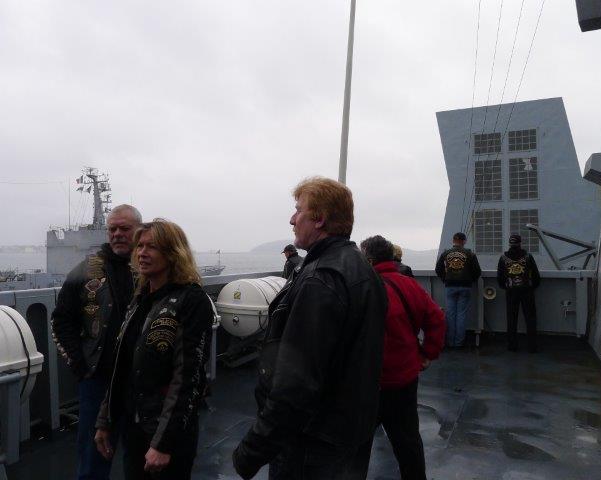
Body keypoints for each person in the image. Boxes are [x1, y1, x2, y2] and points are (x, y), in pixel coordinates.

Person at [232, 177, 387, 480]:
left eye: (298, 210)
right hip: (350, 429)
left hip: (313, 442)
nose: (292, 219)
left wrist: (252, 450)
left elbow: (297, 382)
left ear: (319, 219)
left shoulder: (320, 278)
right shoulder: (363, 269)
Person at [94, 219, 214, 480]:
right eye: (140, 246)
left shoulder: (192, 301)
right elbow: (122, 367)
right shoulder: (140, 300)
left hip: (165, 430)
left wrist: (164, 443)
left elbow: (188, 377)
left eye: (152, 247)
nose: (142, 253)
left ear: (173, 253)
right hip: (134, 425)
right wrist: (105, 420)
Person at [52, 204, 141, 480]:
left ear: (139, 230)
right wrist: (80, 366)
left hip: (142, 380)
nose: (117, 234)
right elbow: (61, 320)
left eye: (124, 228)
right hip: (98, 379)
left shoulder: (150, 268)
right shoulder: (86, 270)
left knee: (141, 455)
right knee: (93, 458)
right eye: (112, 229)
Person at [360, 235, 445, 480]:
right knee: (407, 440)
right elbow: (437, 318)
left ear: (369, 260)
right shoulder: (409, 285)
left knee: (356, 443)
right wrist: (428, 353)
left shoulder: (362, 288)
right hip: (404, 378)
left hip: (368, 382)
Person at [435, 232, 481, 347]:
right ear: (464, 241)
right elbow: (477, 271)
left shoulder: (446, 253)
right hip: (465, 286)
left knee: (450, 314)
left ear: (453, 241)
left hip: (450, 286)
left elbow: (438, 269)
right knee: (461, 314)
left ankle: (450, 342)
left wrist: (445, 278)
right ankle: (459, 343)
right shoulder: (470, 254)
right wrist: (470, 280)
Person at [497, 234, 541, 353]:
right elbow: (536, 276)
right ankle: (532, 346)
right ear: (520, 243)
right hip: (527, 291)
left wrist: (506, 287)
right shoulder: (528, 257)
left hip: (511, 291)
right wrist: (531, 287)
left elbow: (500, 277)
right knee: (530, 318)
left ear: (510, 243)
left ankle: (512, 345)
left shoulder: (503, 258)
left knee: (511, 318)